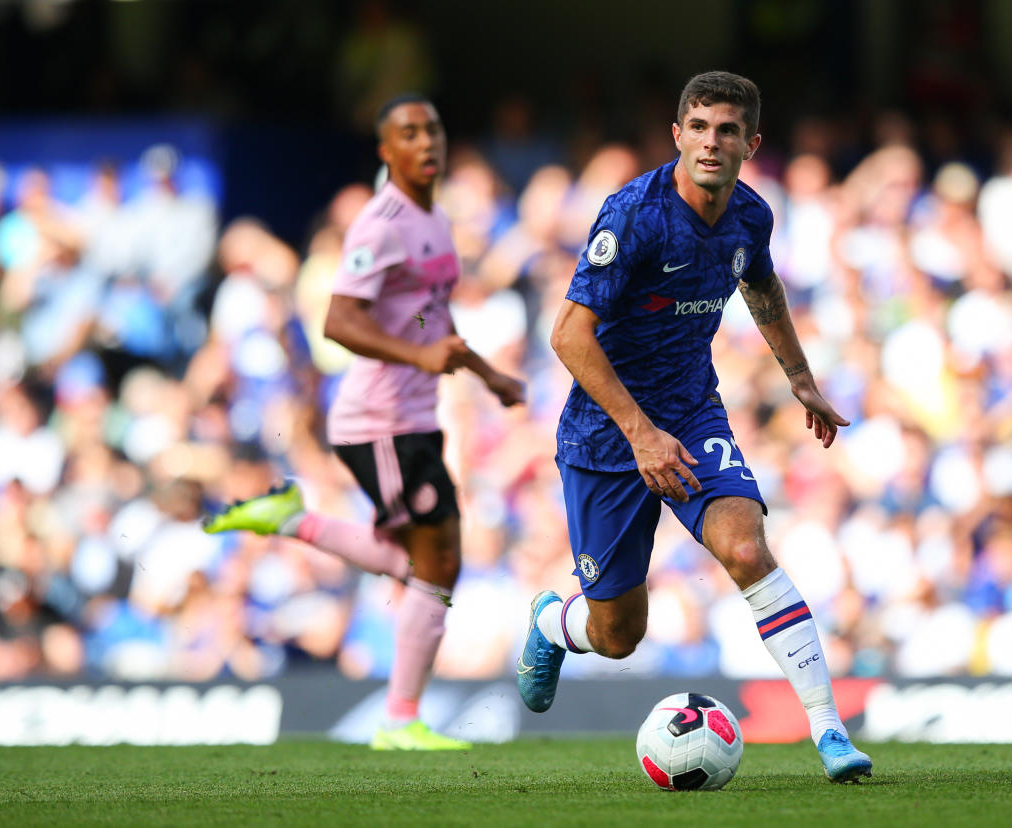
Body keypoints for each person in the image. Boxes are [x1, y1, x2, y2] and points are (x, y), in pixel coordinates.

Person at [517, 72, 873, 782]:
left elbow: (760, 283)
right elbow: (568, 335)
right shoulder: (635, 215)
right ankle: (554, 623)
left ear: (751, 144)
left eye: (729, 130)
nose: (713, 141)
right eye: (701, 127)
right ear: (678, 134)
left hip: (690, 410)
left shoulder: (751, 216)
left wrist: (798, 375)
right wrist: (640, 434)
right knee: (618, 634)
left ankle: (830, 733)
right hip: (605, 432)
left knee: (745, 548)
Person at [204, 94, 524, 750]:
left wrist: (488, 375)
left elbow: (435, 318)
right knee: (435, 563)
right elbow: (338, 321)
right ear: (387, 152)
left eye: (433, 130)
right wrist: (419, 355)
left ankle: (293, 520)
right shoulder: (380, 226)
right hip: (375, 419)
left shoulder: (435, 227)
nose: (427, 142)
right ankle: (399, 720)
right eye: (409, 134)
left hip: (415, 415)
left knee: (424, 563)